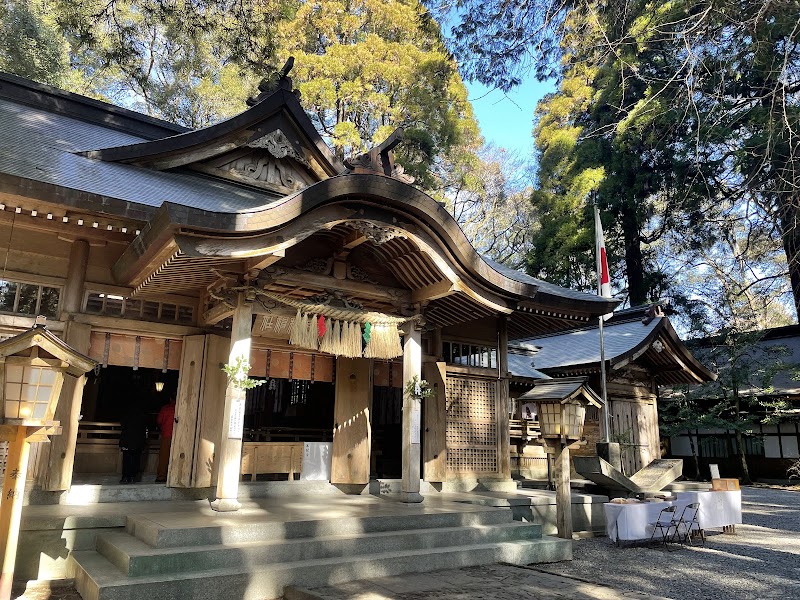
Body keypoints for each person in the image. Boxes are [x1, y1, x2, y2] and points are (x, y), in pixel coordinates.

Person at [119, 401, 147, 484]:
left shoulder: (126, 415)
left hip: (127, 440)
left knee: (126, 459)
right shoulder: (142, 416)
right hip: (138, 442)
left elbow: (122, 425)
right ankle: (133, 477)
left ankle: (125, 477)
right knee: (136, 459)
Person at [156, 397, 177, 483]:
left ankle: (161, 476)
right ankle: (175, 477)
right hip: (178, 436)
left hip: (167, 434)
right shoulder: (180, 408)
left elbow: (159, 421)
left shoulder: (165, 409)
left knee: (164, 457)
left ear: (170, 399)